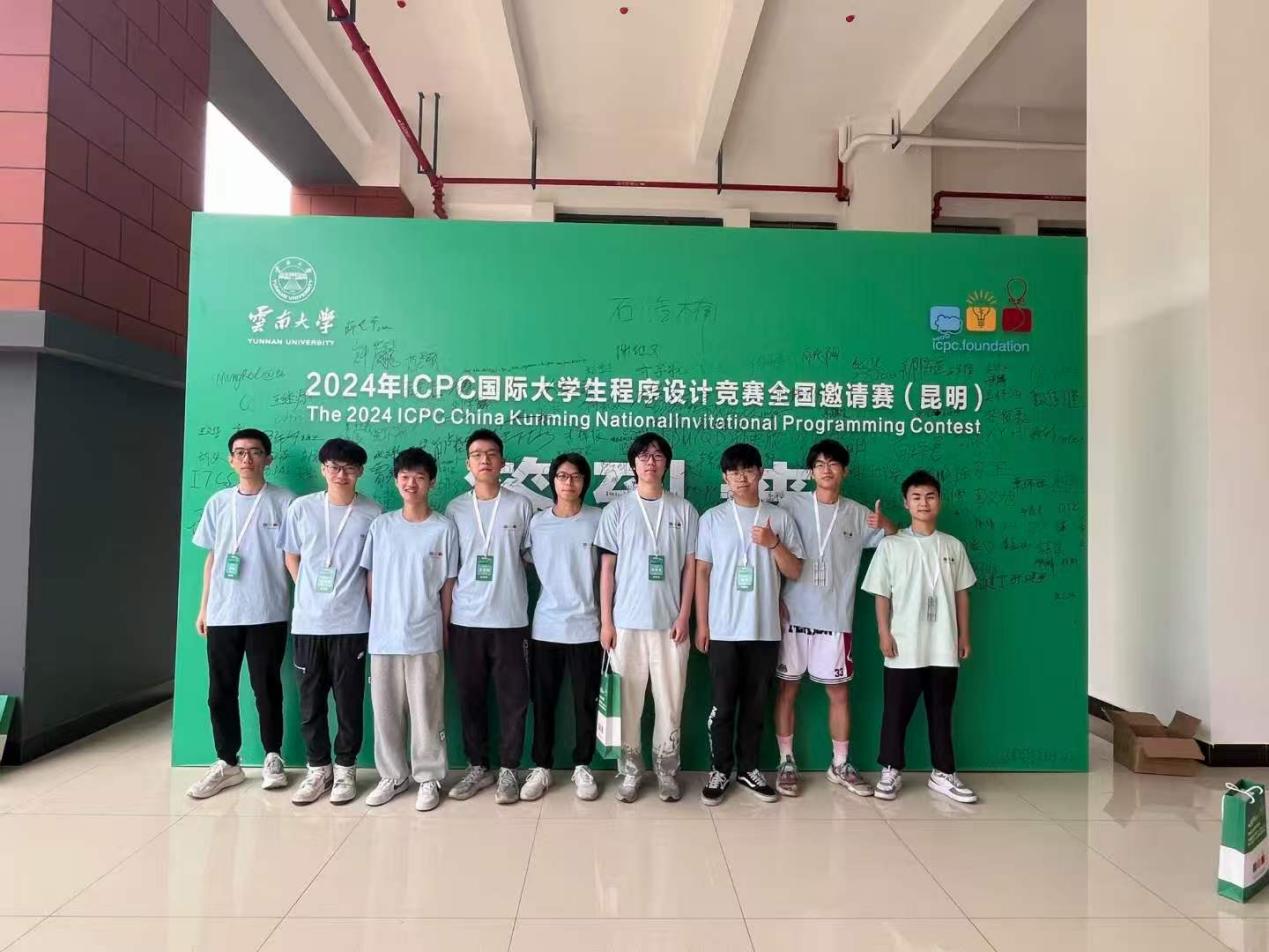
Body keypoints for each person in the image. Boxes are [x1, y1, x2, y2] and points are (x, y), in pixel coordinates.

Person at [772, 439, 895, 798]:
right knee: (787, 690)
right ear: (811, 472)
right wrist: (774, 599)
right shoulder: (790, 506)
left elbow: (896, 542)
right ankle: (786, 761)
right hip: (791, 616)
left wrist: (886, 524)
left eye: (834, 464)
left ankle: (840, 764)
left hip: (835, 619)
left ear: (845, 471)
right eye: (820, 464)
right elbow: (769, 551)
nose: (827, 470)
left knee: (839, 693)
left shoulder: (858, 513)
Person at [187, 428, 296, 799]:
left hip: (268, 610)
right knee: (220, 691)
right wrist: (204, 607)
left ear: (268, 458)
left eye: (255, 451)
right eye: (240, 452)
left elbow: (293, 556)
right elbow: (213, 558)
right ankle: (227, 762)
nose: (247, 458)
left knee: (267, 688)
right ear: (231, 460)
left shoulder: (285, 501)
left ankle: (272, 756)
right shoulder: (218, 502)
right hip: (223, 612)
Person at [694, 443, 804, 805]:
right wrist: (702, 624)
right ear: (725, 478)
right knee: (723, 705)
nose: (741, 478)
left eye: (747, 470)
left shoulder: (779, 518)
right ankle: (720, 769)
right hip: (723, 629)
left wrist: (773, 544)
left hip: (764, 630)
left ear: (760, 473)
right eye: (733, 472)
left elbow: (795, 570)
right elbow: (702, 572)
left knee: (756, 706)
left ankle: (749, 768)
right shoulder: (712, 519)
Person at [862, 469, 978, 804]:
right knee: (895, 712)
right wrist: (884, 632)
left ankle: (943, 773)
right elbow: (881, 594)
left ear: (939, 501)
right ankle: (890, 769)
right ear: (906, 503)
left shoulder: (952, 545)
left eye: (930, 496)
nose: (923, 503)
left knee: (941, 712)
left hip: (943, 645)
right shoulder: (891, 545)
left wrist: (964, 635)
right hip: (903, 644)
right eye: (916, 497)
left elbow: (962, 594)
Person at [595, 432, 699, 803]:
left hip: (671, 626)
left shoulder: (684, 510)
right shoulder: (617, 510)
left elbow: (690, 568)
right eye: (643, 456)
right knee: (628, 704)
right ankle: (630, 772)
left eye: (657, 456)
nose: (650, 462)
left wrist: (685, 616)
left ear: (666, 463)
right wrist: (607, 622)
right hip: (625, 624)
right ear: (633, 465)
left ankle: (667, 772)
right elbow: (607, 571)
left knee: (670, 702)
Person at [281, 438, 382, 805]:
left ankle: (345, 769)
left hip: (352, 623)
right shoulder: (302, 508)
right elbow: (291, 555)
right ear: (323, 469)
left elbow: (373, 570)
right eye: (334, 467)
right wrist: (308, 592)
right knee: (310, 703)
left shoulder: (373, 513)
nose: (341, 474)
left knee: (349, 702)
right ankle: (318, 769)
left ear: (360, 472)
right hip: (308, 624)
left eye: (349, 468)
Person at [361, 448, 458, 812]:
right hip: (384, 636)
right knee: (385, 712)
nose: (411, 483)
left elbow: (448, 585)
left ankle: (428, 776)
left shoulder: (443, 528)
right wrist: (379, 620)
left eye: (419, 477)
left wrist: (444, 628)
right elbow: (370, 579)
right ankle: (393, 775)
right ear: (396, 480)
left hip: (425, 634)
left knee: (427, 711)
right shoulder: (382, 526)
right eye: (404, 476)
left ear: (432, 482)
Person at [444, 429, 535, 805]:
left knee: (514, 699)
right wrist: (446, 622)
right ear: (468, 463)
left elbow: (529, 557)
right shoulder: (455, 509)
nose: (484, 460)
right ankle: (478, 766)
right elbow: (450, 571)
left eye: (492, 453)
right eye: (477, 454)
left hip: (510, 620)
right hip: (466, 620)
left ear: (503, 462)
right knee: (470, 698)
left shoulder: (521, 505)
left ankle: (510, 769)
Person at [519, 453, 604, 802]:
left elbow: (609, 572)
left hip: (588, 628)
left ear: (585, 482)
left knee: (585, 702)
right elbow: (525, 560)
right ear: (553, 481)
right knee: (543, 701)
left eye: (576, 476)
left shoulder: (598, 519)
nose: (569, 482)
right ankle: (542, 767)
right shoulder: (537, 524)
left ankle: (583, 765)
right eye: (562, 476)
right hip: (546, 628)